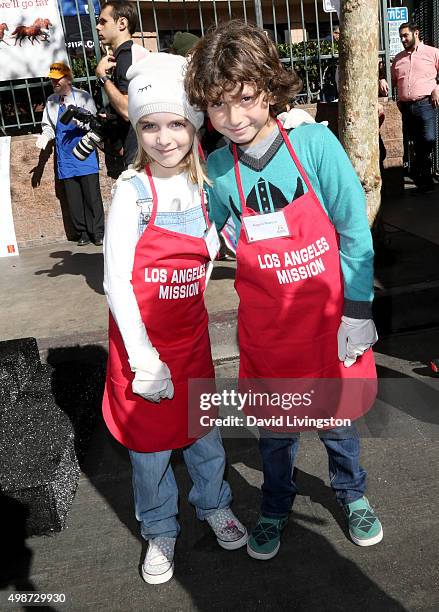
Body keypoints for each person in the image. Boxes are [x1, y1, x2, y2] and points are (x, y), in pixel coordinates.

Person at [185, 19, 383, 560]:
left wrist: (358, 311)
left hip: (328, 321)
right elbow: (220, 235)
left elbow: (352, 231)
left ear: (269, 90)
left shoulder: (314, 143)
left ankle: (352, 493)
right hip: (269, 330)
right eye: (218, 106)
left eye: (246, 99)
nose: (234, 117)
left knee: (338, 422)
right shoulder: (219, 169)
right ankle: (275, 504)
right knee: (275, 432)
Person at [102, 52, 247, 585]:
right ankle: (160, 528)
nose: (164, 138)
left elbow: (209, 252)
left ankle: (213, 505)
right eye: (149, 126)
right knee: (150, 448)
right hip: (143, 349)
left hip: (191, 343)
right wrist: (143, 360)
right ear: (137, 130)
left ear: (192, 126)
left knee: (203, 434)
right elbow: (118, 280)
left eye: (174, 124)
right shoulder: (130, 193)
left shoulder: (205, 188)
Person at [36, 62, 105, 246]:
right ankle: (81, 232)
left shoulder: (83, 97)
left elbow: (94, 121)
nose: (54, 83)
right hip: (65, 158)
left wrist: (81, 123)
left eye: (57, 80)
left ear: (67, 79)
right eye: (52, 80)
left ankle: (97, 232)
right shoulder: (51, 101)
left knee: (92, 196)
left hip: (84, 153)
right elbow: (48, 127)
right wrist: (45, 136)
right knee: (73, 198)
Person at [379, 22, 439, 193]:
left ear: (416, 33)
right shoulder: (398, 58)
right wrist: (382, 78)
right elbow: (390, 79)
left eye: (405, 35)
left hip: (426, 103)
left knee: (428, 139)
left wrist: (437, 88)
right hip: (405, 107)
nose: (403, 39)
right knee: (412, 143)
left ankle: (424, 176)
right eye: (401, 37)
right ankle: (422, 180)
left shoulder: (433, 53)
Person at [95, 0, 148, 173]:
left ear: (122, 23)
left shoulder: (126, 56)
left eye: (103, 21)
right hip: (138, 150)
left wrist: (102, 78)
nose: (97, 27)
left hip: (140, 155)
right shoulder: (129, 54)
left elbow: (127, 110)